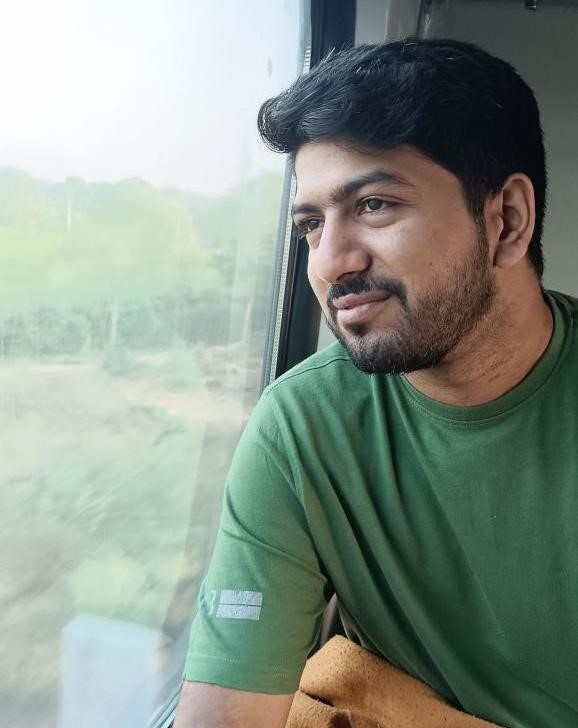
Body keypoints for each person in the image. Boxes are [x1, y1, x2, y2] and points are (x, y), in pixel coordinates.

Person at [174, 38, 578, 728]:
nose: (330, 262)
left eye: (375, 205)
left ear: (507, 220)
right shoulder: (303, 426)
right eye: (311, 225)